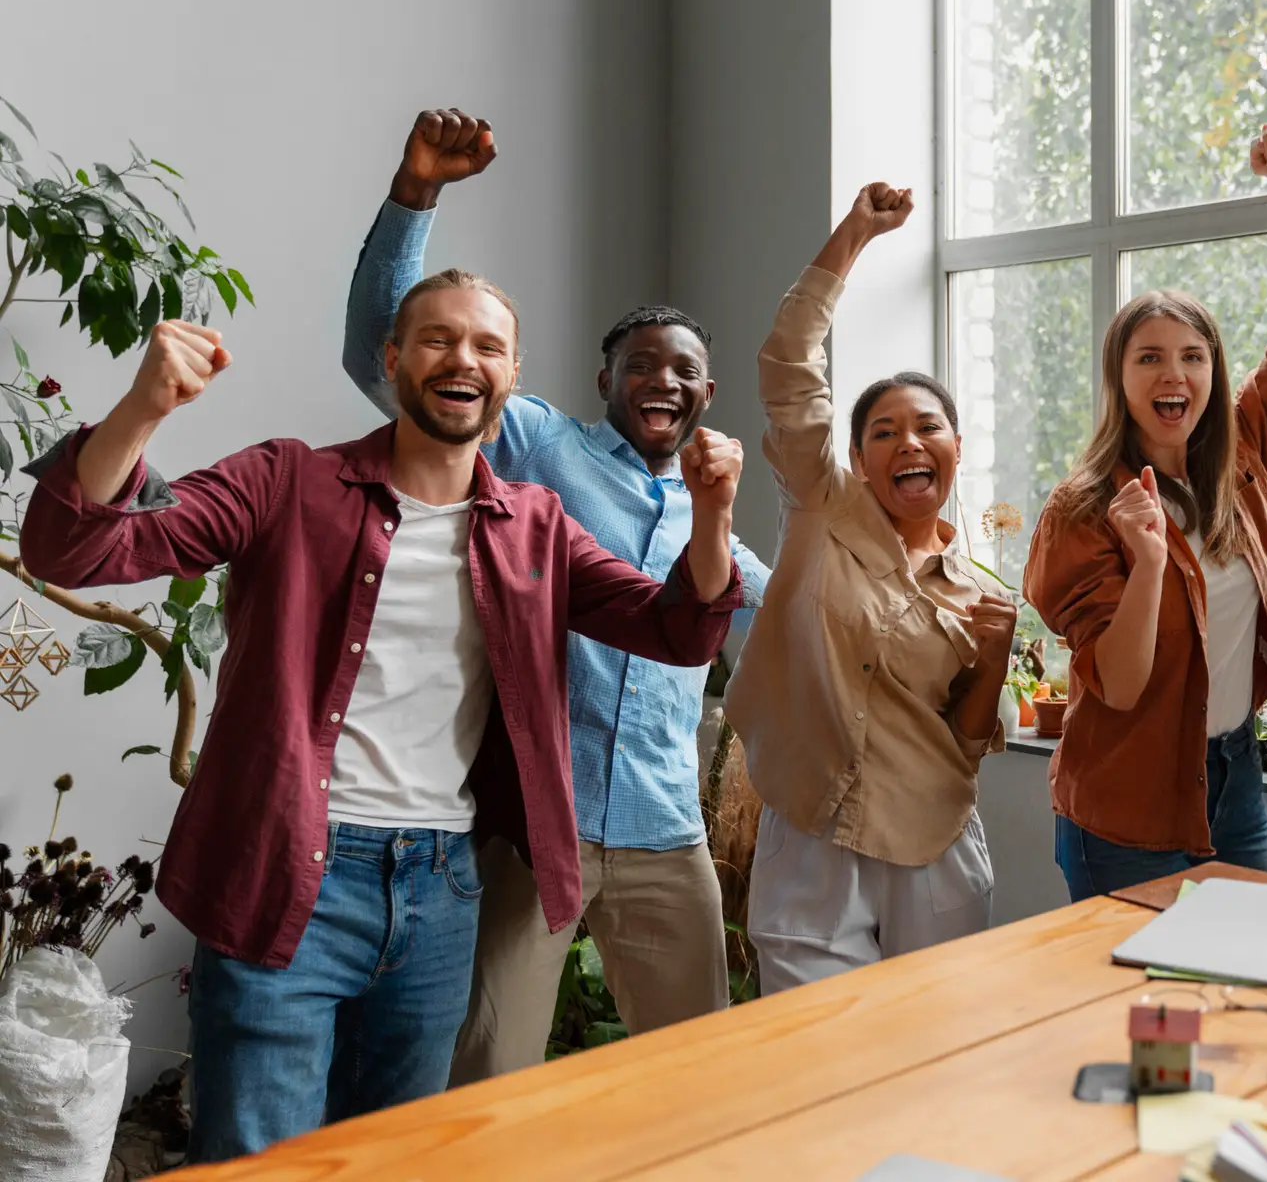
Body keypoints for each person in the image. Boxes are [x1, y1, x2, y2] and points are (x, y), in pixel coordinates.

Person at [20, 279, 744, 1161]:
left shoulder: (535, 526)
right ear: (395, 360)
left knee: (397, 1159)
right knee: (262, 1160)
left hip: (441, 889)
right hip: (290, 873)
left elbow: (676, 626)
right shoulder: (287, 479)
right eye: (436, 340)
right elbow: (78, 547)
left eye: (486, 346)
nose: (461, 360)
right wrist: (142, 409)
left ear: (512, 374)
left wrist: (711, 516)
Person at [340, 109, 771, 1081]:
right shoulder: (539, 444)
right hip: (541, 828)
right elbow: (382, 346)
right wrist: (418, 193)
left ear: (706, 394)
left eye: (685, 369)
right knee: (488, 1074)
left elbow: (809, 627)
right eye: (642, 362)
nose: (664, 378)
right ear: (601, 377)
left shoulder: (718, 518)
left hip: (669, 837)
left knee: (701, 1077)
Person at [1024, 127, 1267, 902]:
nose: (1174, 373)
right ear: (1120, 379)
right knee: (1136, 1010)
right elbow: (1122, 682)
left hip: (1233, 781)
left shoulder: (1239, 465)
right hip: (1125, 801)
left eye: (1192, 356)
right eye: (1149, 357)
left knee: (1238, 994)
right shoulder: (1081, 510)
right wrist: (1145, 563)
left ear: (1213, 371)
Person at [727, 182, 1015, 992]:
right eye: (883, 432)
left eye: (927, 426)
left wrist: (995, 658)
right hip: (810, 838)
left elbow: (965, 741)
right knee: (817, 1059)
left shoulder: (974, 592)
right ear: (855, 457)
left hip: (935, 844)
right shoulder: (824, 510)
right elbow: (787, 364)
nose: (908, 442)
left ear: (956, 446)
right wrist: (854, 234)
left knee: (931, 1063)